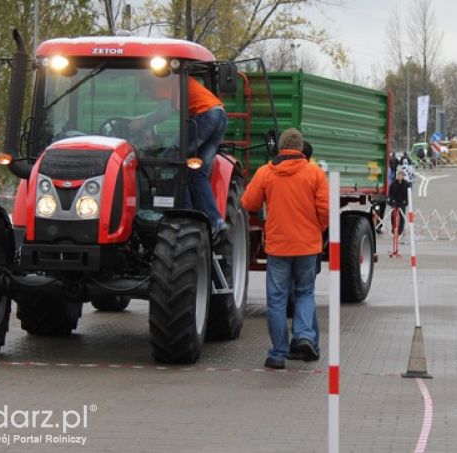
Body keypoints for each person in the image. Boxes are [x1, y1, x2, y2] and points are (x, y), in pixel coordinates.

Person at [241, 128, 328, 370]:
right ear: (301, 149)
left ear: (280, 148)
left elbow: (248, 202)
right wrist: (315, 231)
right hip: (307, 247)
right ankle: (304, 337)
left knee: (277, 300)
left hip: (278, 248)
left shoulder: (267, 173)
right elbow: (325, 210)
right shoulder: (315, 174)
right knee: (305, 293)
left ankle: (278, 354)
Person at [131, 75, 228, 239]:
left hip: (204, 117)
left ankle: (184, 215)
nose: (151, 97)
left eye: (148, 94)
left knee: (170, 161)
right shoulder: (173, 83)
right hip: (219, 116)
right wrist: (142, 119)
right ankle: (216, 221)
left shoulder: (159, 80)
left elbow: (164, 113)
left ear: (149, 86)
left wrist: (142, 123)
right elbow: (164, 111)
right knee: (197, 173)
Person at [388, 168, 409, 238]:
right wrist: (391, 201)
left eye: (401, 175)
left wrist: (406, 201)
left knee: (402, 216)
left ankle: (400, 230)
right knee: (393, 216)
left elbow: (407, 193)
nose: (399, 176)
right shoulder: (393, 183)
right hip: (395, 202)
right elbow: (390, 193)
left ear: (403, 176)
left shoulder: (406, 184)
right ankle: (393, 229)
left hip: (402, 202)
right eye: (398, 175)